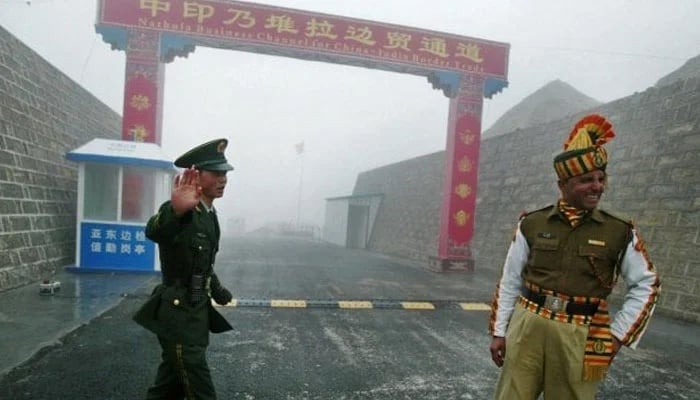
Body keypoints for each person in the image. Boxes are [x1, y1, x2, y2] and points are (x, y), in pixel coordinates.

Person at [487, 114, 661, 400]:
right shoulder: (532, 223)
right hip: (527, 324)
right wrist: (499, 330)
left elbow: (647, 284)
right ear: (562, 185)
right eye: (586, 180)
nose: (597, 186)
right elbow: (510, 280)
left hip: (581, 333)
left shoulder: (619, 231)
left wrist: (617, 336)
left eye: (601, 178)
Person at [134, 138, 236, 400]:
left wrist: (218, 290)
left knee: (169, 385)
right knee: (199, 389)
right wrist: (176, 211)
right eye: (216, 173)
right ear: (196, 175)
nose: (222, 179)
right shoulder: (182, 212)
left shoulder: (209, 214)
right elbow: (154, 230)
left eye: (224, 173)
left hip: (196, 313)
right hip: (179, 315)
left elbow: (202, 263)